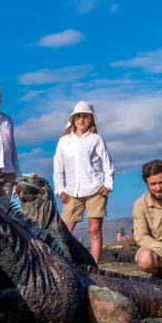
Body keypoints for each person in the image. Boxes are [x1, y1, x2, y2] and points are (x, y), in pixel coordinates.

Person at [53, 101, 114, 264]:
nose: (81, 120)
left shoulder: (96, 139)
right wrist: (60, 189)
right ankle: (64, 264)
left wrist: (107, 185)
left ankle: (94, 269)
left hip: (95, 190)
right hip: (72, 192)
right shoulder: (64, 141)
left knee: (94, 231)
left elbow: (108, 163)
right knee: (64, 233)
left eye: (85, 116)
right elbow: (58, 166)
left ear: (91, 119)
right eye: (78, 116)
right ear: (73, 119)